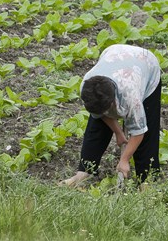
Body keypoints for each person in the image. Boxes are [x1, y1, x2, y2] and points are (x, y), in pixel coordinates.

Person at [63, 44, 162, 187]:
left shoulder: (131, 97)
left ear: (112, 101)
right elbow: (99, 115)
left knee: (148, 131)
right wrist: (119, 133)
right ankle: (84, 172)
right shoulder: (88, 86)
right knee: (96, 126)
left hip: (146, 63)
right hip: (114, 53)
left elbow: (139, 132)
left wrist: (124, 160)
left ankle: (147, 180)